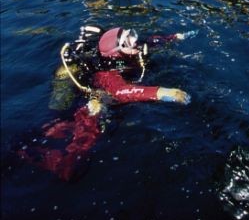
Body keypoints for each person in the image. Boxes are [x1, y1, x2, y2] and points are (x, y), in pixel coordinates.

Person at [19, 24, 191, 181]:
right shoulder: (107, 74)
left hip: (106, 81)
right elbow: (122, 92)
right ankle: (62, 162)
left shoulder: (131, 50)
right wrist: (164, 92)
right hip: (92, 94)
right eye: (128, 40)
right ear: (117, 53)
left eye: (131, 34)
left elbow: (153, 40)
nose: (134, 40)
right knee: (93, 112)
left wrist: (176, 37)